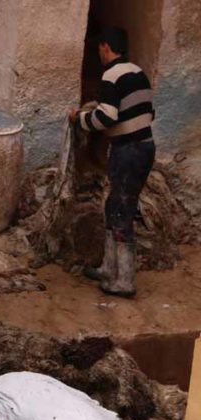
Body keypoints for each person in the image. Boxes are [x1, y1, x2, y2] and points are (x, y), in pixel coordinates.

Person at [70, 26, 155, 298]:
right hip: (144, 147)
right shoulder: (138, 73)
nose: (99, 53)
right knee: (115, 205)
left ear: (106, 47)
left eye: (99, 49)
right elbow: (147, 110)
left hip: (127, 150)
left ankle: (125, 280)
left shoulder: (111, 75)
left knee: (121, 210)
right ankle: (109, 267)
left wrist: (80, 119)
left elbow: (106, 117)